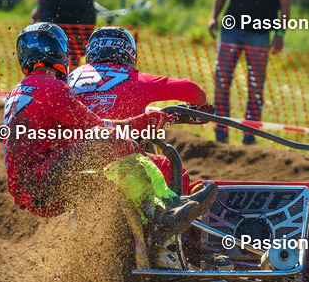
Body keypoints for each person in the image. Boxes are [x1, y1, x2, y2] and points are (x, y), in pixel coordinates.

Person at [2, 22, 217, 249]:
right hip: (43, 178)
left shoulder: (21, 91)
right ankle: (164, 215)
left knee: (108, 156)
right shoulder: (52, 87)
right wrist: (146, 121)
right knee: (126, 144)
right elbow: (96, 128)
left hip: (30, 188)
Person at [68, 26, 215, 195]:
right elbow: (191, 90)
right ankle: (173, 208)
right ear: (129, 53)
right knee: (173, 170)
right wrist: (202, 107)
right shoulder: (135, 79)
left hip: (70, 158)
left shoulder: (71, 78)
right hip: (119, 159)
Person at [207, 0, 292, 145]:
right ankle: (221, 132)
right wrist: (213, 16)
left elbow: (285, 2)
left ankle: (249, 136)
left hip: (260, 36)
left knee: (255, 86)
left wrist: (281, 33)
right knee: (222, 80)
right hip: (231, 31)